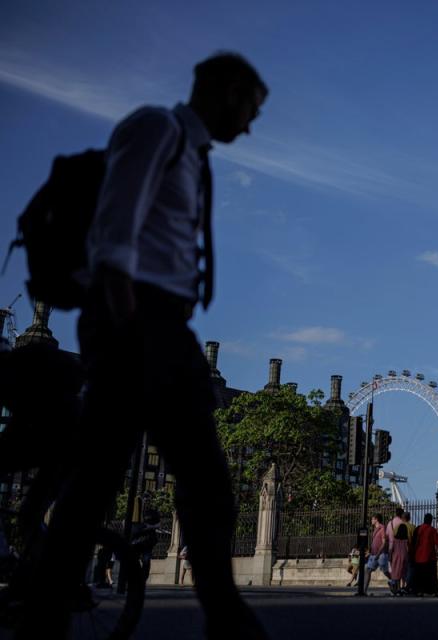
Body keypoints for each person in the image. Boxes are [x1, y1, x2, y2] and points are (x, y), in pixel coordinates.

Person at [16, 52, 268, 640]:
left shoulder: (191, 150)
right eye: (251, 107)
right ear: (226, 90)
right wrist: (123, 309)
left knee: (110, 474)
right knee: (188, 476)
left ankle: (44, 611)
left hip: (156, 323)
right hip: (136, 317)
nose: (252, 124)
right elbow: (117, 215)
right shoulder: (158, 127)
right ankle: (225, 616)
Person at [410, 513, 438, 597]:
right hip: (429, 557)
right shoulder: (432, 530)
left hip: (418, 556)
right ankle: (434, 590)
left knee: (419, 576)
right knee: (432, 576)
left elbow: (413, 542)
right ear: (430, 521)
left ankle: (419, 591)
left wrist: (412, 554)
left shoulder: (418, 529)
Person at [364, 514, 390, 594]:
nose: (371, 521)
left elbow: (384, 542)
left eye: (372, 519)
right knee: (368, 570)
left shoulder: (382, 528)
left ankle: (394, 582)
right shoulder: (375, 529)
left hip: (381, 555)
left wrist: (378, 553)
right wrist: (370, 552)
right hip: (373, 554)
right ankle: (364, 591)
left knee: (385, 572)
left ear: (376, 519)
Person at [387, 508, 409, 596]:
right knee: (403, 572)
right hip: (403, 556)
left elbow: (387, 536)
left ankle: (395, 586)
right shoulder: (402, 523)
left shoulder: (390, 523)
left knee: (395, 571)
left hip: (394, 553)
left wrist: (389, 554)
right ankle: (402, 587)